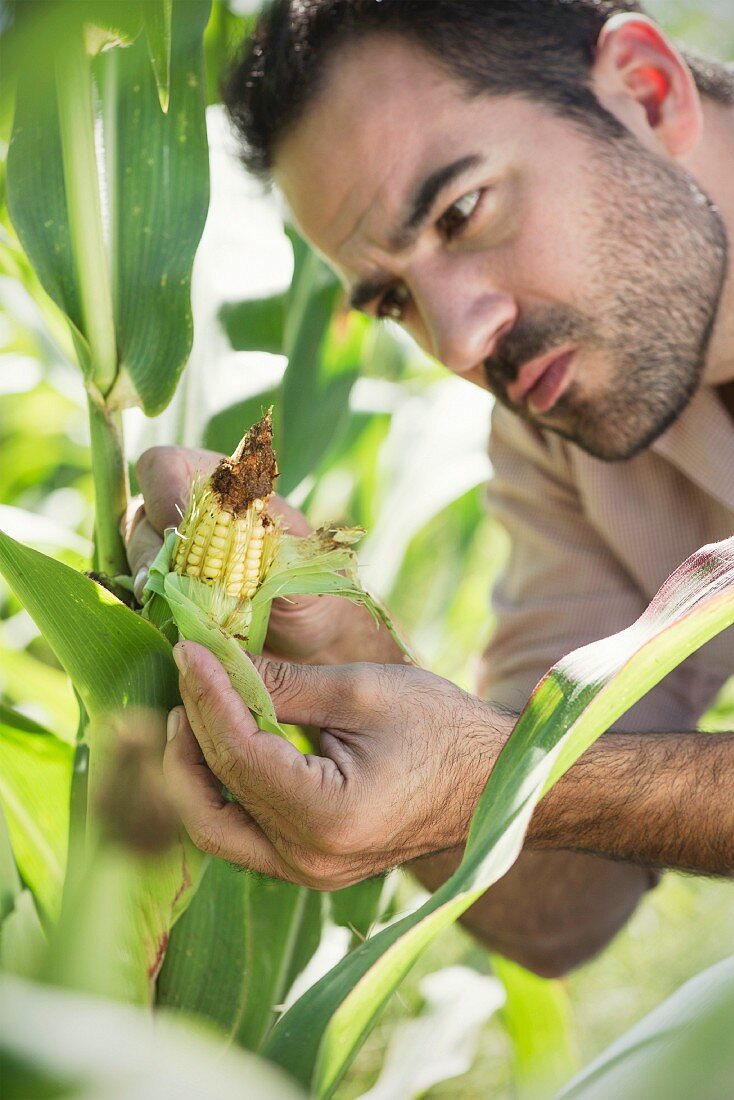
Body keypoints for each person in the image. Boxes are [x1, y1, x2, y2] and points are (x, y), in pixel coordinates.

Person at [126, 0, 734, 978]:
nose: (454, 342)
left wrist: (504, 774)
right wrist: (356, 660)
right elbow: (554, 909)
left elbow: (548, 795)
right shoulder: (559, 429)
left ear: (647, 91)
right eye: (392, 299)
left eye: (462, 210)